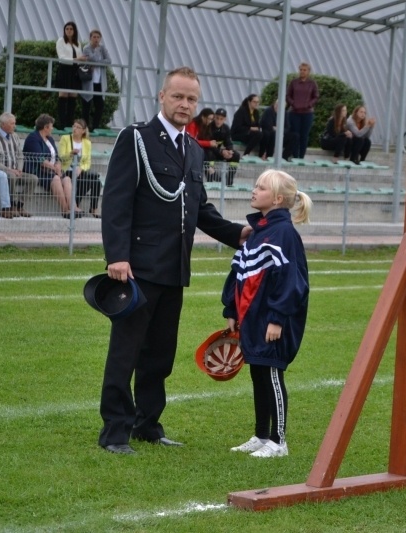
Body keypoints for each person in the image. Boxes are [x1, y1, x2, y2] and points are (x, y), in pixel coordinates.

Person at [99, 66, 251, 455]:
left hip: (174, 269)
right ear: (162, 97)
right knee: (126, 352)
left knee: (160, 354)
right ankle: (115, 431)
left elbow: (200, 210)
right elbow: (117, 200)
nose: (185, 105)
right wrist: (116, 256)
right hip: (137, 269)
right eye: (178, 97)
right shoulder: (136, 139)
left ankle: (147, 424)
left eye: (192, 99)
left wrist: (239, 234)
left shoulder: (193, 149)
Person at [222, 169, 311, 458]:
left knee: (272, 374)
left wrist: (277, 318)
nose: (254, 191)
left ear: (277, 198)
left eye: (260, 188)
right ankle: (261, 436)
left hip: (272, 320)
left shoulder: (284, 233)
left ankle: (278, 441)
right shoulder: (258, 231)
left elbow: (291, 281)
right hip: (252, 317)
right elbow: (239, 272)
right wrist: (231, 308)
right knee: (258, 374)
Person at [22, 113, 80, 218]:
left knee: (66, 179)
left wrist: (58, 164)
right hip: (39, 171)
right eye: (51, 126)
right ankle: (65, 210)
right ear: (45, 127)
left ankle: (73, 208)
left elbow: (56, 157)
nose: (52, 128)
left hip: (52, 171)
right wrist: (55, 168)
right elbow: (39, 159)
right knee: (57, 179)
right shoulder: (33, 138)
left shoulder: (50, 139)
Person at [0, 112, 38, 217]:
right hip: (4, 171)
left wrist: (19, 169)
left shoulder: (15, 136)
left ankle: (20, 205)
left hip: (16, 170)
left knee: (33, 178)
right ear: (3, 125)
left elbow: (20, 155)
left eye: (14, 123)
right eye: (12, 123)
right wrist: (9, 170)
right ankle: (12, 205)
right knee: (11, 177)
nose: (14, 126)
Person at [58, 118, 102, 218]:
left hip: (80, 171)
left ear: (83, 130)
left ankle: (93, 208)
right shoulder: (65, 138)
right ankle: (75, 204)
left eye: (78, 127)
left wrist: (80, 168)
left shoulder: (87, 143)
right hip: (67, 170)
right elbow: (61, 157)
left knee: (97, 182)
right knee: (85, 180)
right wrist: (70, 154)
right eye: (74, 126)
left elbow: (88, 161)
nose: (75, 129)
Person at [55, 21, 86, 130]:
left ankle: (69, 122)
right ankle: (62, 123)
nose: (69, 31)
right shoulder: (61, 41)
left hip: (74, 70)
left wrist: (81, 60)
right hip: (65, 69)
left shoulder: (77, 42)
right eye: (67, 29)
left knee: (73, 96)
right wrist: (77, 59)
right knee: (63, 95)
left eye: (71, 29)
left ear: (74, 31)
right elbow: (62, 58)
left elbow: (80, 56)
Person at [286, 62, 319, 159]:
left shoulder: (312, 83)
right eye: (301, 70)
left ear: (308, 71)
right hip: (294, 112)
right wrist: (293, 103)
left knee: (304, 135)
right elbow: (288, 95)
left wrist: (309, 104)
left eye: (304, 70)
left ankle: (301, 156)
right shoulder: (294, 82)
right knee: (295, 134)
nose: (302, 72)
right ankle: (295, 155)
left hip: (307, 113)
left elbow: (316, 96)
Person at [80, 28, 111, 130]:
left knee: (99, 105)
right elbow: (92, 58)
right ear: (90, 38)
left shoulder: (102, 48)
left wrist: (96, 62)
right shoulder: (86, 48)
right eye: (94, 37)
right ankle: (85, 127)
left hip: (99, 81)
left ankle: (95, 126)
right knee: (86, 104)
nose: (96, 39)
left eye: (98, 37)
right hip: (89, 80)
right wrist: (98, 60)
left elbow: (108, 61)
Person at [207, 108, 240, 186]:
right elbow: (209, 146)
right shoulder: (208, 127)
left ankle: (229, 181)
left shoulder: (226, 128)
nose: (218, 121)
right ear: (214, 117)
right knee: (209, 154)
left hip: (219, 152)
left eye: (221, 119)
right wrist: (222, 152)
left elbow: (228, 142)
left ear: (224, 119)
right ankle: (210, 179)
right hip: (209, 151)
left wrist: (229, 151)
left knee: (236, 155)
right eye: (217, 118)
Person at [231, 94, 269, 160]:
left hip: (250, 134)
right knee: (258, 134)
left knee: (266, 134)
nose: (257, 104)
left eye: (258, 102)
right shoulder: (241, 111)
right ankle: (246, 154)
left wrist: (259, 128)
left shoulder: (256, 112)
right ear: (249, 102)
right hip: (238, 134)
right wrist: (250, 128)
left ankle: (262, 155)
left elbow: (258, 125)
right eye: (254, 102)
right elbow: (237, 127)